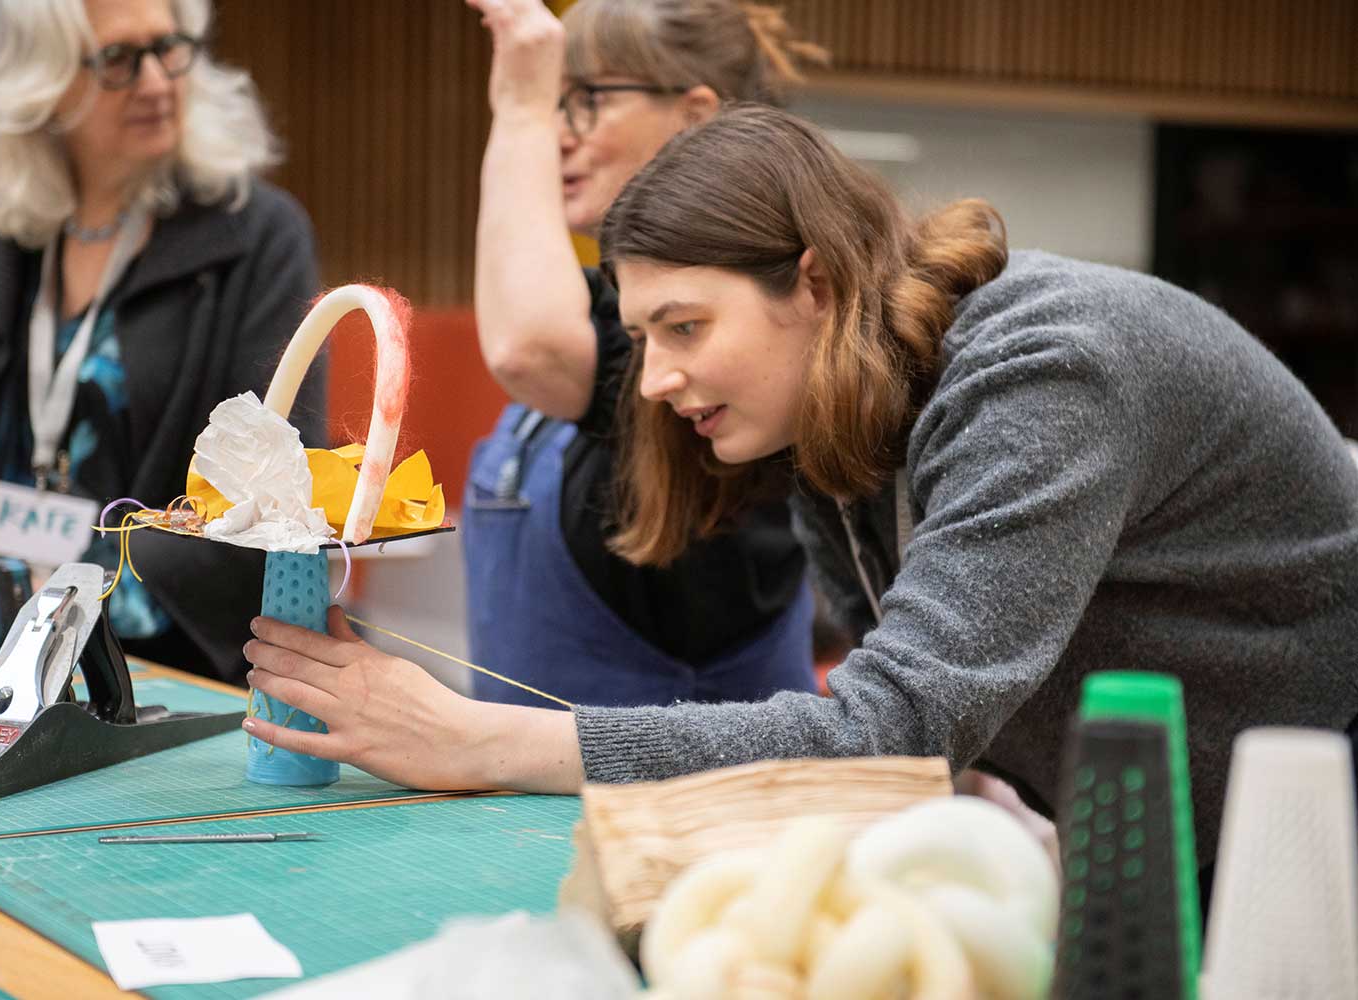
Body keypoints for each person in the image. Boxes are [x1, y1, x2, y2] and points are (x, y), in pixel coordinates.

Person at [240, 106, 1358, 867]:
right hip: (1177, 819)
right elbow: (916, 740)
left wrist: (482, 741)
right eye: (643, 335)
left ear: (812, 282)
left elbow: (891, 731)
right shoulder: (835, 422)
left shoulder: (1046, 368)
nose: (659, 378)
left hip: (1316, 807)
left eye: (686, 326)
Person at [0, 0, 326, 679]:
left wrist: (52, 604)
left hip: (150, 678)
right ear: (37, 81)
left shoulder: (254, 239)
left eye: (170, 47)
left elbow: (274, 502)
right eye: (118, 59)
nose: (157, 81)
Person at [462, 0, 827, 708]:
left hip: (686, 810)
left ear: (693, 115)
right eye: (554, 104)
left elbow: (526, 346)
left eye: (587, 100)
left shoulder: (737, 353)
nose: (558, 135)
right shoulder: (611, 317)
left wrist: (520, 106)